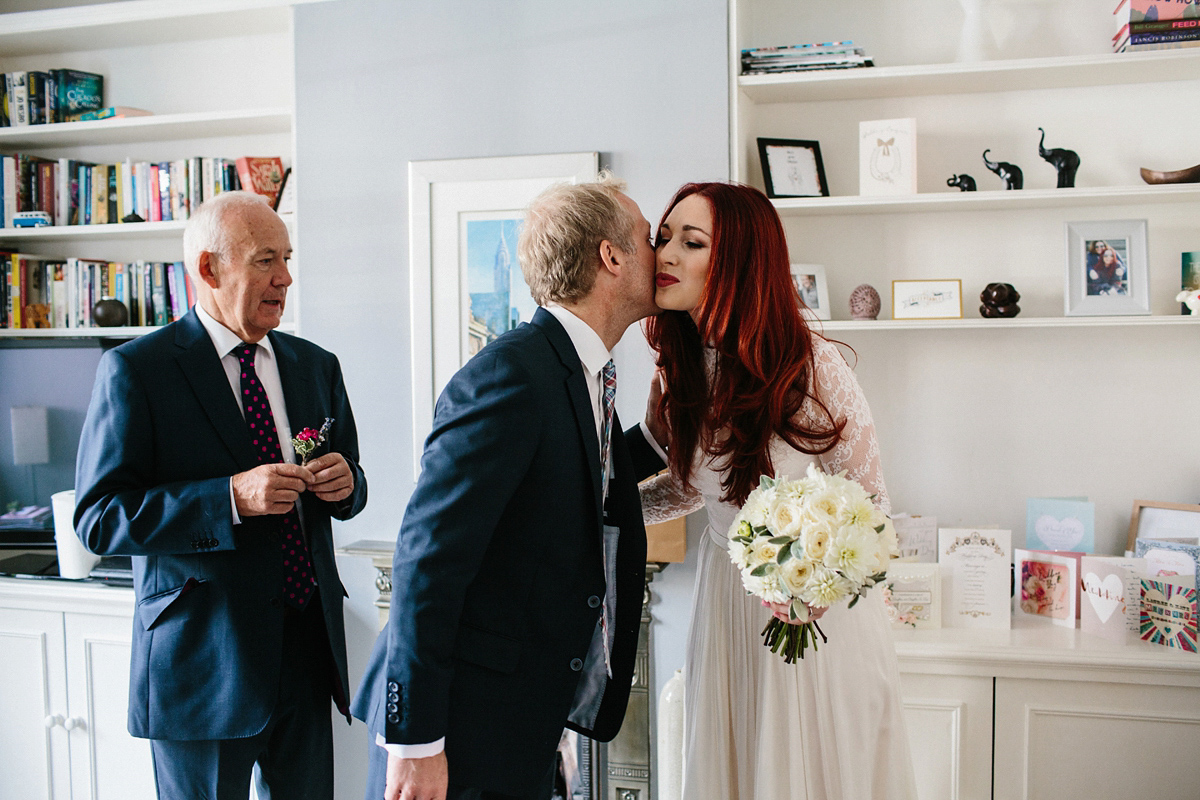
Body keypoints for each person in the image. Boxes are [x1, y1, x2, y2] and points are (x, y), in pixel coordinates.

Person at [351, 172, 666, 800]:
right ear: (611, 257)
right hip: (458, 724)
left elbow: (560, 484)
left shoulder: (571, 369)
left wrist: (654, 440)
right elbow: (427, 558)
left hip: (517, 714)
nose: (661, 254)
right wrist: (416, 745)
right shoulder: (508, 376)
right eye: (649, 239)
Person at [74, 190, 368, 800]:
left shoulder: (317, 366)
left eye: (286, 259)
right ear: (209, 269)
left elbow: (352, 482)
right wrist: (228, 499)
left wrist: (346, 486)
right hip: (203, 665)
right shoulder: (138, 371)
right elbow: (99, 519)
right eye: (266, 260)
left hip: (309, 651)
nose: (285, 278)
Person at [640, 182, 917, 800]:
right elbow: (696, 492)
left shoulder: (812, 364)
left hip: (815, 613)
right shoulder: (678, 369)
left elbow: (873, 508)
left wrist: (815, 586)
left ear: (738, 259)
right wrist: (601, 504)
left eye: (691, 243)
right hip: (724, 597)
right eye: (663, 239)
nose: (665, 255)